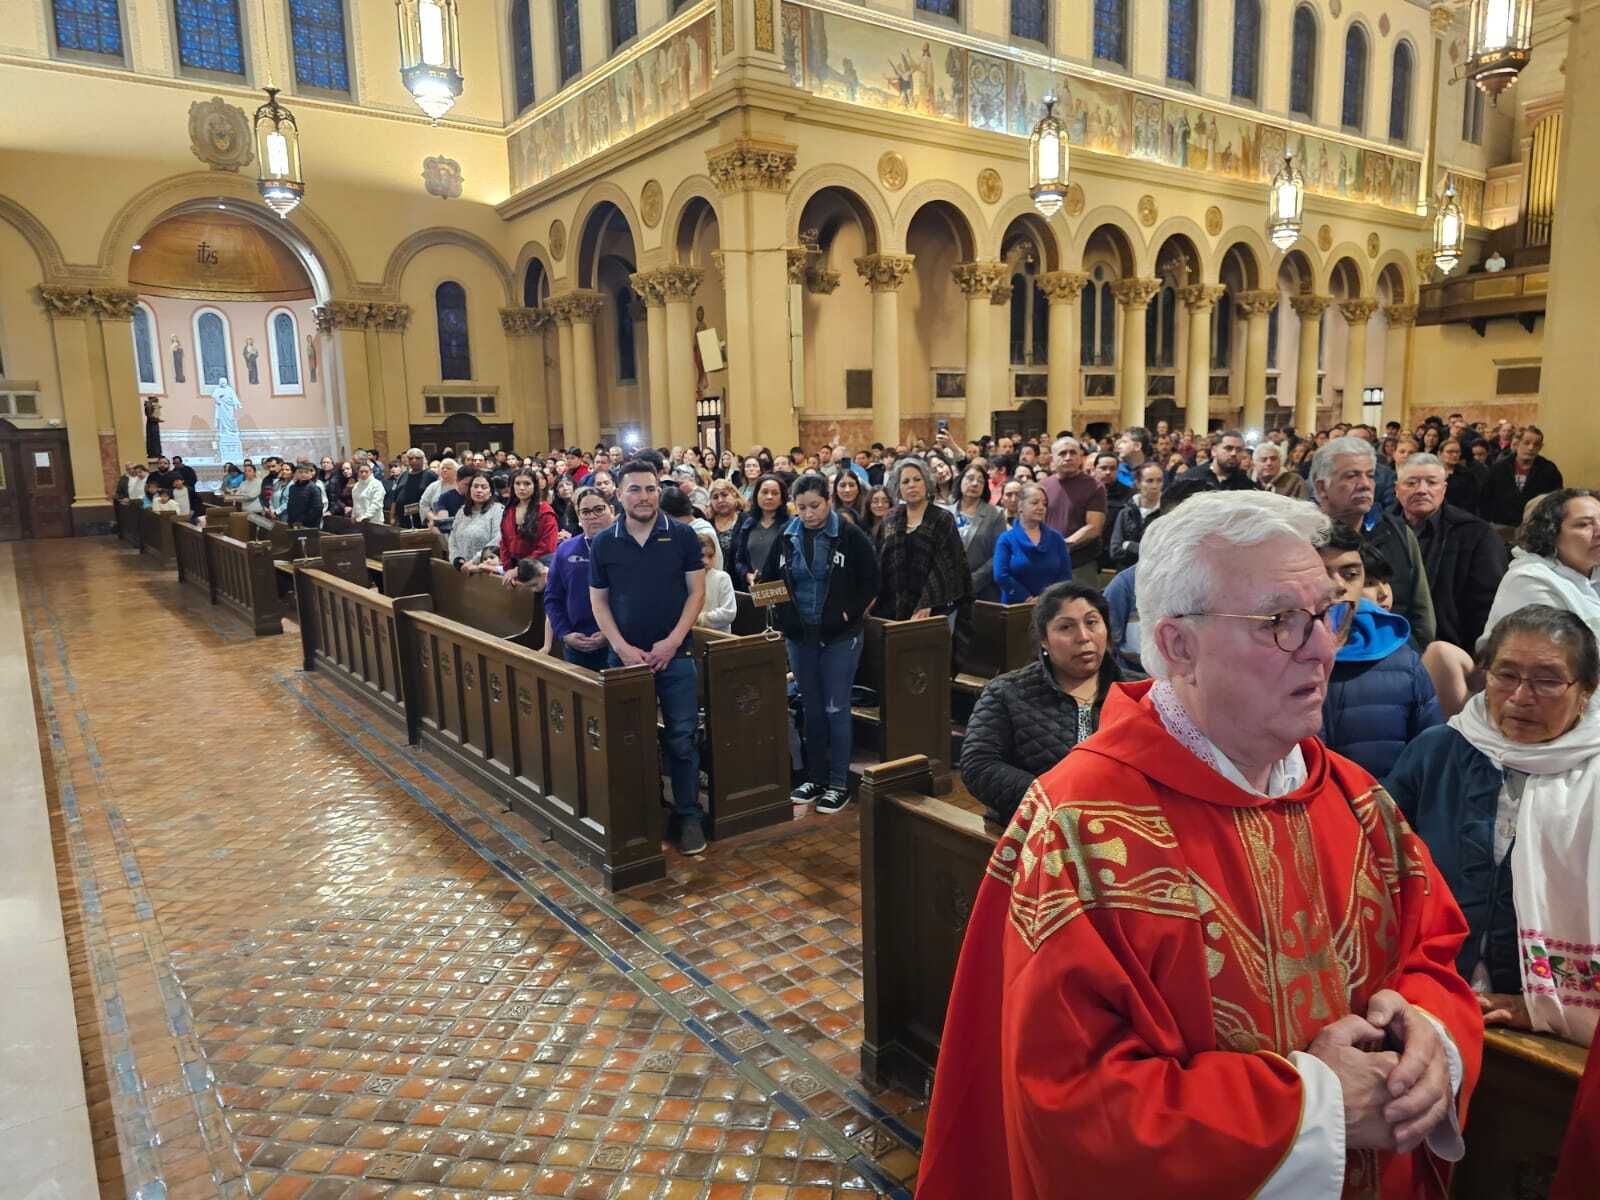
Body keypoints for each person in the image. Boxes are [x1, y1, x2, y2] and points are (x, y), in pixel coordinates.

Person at [918, 490, 1480, 1198]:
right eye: (1280, 622)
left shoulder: (1355, 797)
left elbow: (1433, 951)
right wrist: (1316, 1106)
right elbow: (1069, 1103)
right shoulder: (1080, 828)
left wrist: (1431, 1037)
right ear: (1178, 645)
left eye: (1328, 614)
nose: (1324, 648)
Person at [1386, 605, 1600, 1048]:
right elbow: (1376, 868)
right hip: (1427, 999)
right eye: (1506, 675)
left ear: (1586, 692)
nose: (1522, 696)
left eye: (1547, 680)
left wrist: (1542, 1004)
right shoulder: (1439, 751)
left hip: (1553, 1031)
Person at [589, 460, 708, 855]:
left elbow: (696, 593)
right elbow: (599, 601)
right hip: (624, 659)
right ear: (619, 495)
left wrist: (672, 642)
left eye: (651, 489)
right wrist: (621, 648)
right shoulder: (605, 541)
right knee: (631, 739)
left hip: (676, 655)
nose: (644, 497)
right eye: (635, 489)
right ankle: (646, 811)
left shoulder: (683, 536)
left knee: (682, 738)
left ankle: (688, 814)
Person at [760, 474, 880, 813]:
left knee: (835, 707)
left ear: (828, 502)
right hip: (801, 636)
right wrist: (782, 617)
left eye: (814, 506)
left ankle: (839, 782)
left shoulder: (849, 535)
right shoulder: (785, 536)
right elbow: (765, 581)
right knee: (811, 707)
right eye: (801, 508)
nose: (809, 514)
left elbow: (872, 581)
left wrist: (847, 615)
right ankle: (814, 777)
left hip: (840, 636)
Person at [959, 582, 1120, 825]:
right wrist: (1050, 799)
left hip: (1119, 830)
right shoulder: (1007, 692)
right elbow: (978, 765)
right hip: (1033, 835)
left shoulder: (1136, 692)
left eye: (1092, 622)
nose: (1084, 637)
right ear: (1044, 640)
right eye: (1066, 627)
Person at [1317, 524, 1441, 778]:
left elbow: (1431, 758)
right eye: (1322, 573)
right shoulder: (1276, 658)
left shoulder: (1401, 659)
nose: (1339, 586)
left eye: (1351, 574)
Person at [1311, 436, 1436, 647]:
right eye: (1351, 476)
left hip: (1397, 659)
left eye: (1370, 475)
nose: (1365, 485)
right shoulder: (1303, 540)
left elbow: (1422, 614)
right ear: (1322, 487)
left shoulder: (1398, 533)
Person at [1394, 453, 1508, 652]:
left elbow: (1488, 605)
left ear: (1444, 489)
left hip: (1450, 648)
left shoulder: (1475, 534)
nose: (1422, 490)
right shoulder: (1382, 529)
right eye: (1411, 483)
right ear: (1396, 489)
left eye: (1431, 483)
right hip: (1391, 643)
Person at [1479, 489, 1600, 651]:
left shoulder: (1593, 571)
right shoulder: (1530, 580)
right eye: (1584, 524)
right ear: (1552, 534)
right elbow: (1568, 657)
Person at [876, 458, 970, 623]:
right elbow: (881, 561)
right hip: (892, 606)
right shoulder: (890, 518)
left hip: (935, 609)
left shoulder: (942, 518)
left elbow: (950, 565)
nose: (911, 485)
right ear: (899, 488)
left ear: (926, 483)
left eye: (917, 479)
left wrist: (928, 602)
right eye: (905, 481)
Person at [544, 487, 614, 670]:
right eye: (585, 512)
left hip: (618, 645)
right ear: (579, 517)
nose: (592, 516)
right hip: (576, 645)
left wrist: (610, 633)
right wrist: (564, 633)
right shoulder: (565, 550)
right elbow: (552, 598)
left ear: (611, 511)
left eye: (599, 509)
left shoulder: (628, 548)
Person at [1039, 436, 1107, 586]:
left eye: (1073, 453)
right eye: (1062, 453)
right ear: (1052, 458)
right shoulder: (1043, 486)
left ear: (1081, 457)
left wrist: (1065, 543)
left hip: (1080, 565)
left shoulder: (1094, 487)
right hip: (1046, 563)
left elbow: (1094, 527)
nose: (1068, 457)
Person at [992, 484, 1072, 604]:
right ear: (1020, 507)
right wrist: (1027, 598)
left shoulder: (1056, 538)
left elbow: (1065, 575)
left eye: (1044, 504)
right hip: (1016, 608)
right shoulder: (1006, 539)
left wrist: (1046, 599)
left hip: (1051, 605)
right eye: (1035, 503)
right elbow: (1001, 575)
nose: (1041, 507)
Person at [1483, 425, 1563, 529]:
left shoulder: (1549, 469)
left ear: (1540, 447)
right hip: (1501, 524)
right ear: (1517, 443)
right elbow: (1486, 498)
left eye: (1536, 445)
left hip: (1534, 526)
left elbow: (1556, 500)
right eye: (1526, 443)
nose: (1531, 448)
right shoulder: (1499, 468)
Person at [951, 464, 1005, 602]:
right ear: (960, 481)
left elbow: (998, 554)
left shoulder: (995, 514)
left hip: (982, 591)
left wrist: (971, 581)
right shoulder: (946, 513)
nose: (975, 483)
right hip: (948, 589)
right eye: (970, 478)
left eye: (980, 481)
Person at [731, 473, 788, 588]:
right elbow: (739, 560)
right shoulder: (748, 524)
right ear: (756, 495)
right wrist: (747, 575)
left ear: (782, 499)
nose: (769, 497)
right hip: (756, 588)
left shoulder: (790, 525)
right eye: (765, 492)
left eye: (775, 493)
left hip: (784, 589)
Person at [497, 468, 558, 574]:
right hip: (513, 566)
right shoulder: (509, 510)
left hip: (539, 567)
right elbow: (504, 542)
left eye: (527, 484)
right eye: (517, 483)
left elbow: (546, 547)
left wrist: (519, 569)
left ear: (535, 486)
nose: (521, 488)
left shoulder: (545, 510)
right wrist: (508, 568)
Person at [1107, 461, 1163, 569]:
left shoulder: (1168, 513)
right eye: (1149, 481)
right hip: (1127, 573)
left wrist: (1129, 545)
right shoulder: (1126, 512)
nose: (1155, 486)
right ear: (1138, 483)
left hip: (1156, 574)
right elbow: (1115, 551)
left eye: (1159, 481)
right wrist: (1144, 551)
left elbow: (1162, 553)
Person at [449, 474, 503, 570]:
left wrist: (473, 561)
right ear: (470, 490)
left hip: (484, 567)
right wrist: (456, 559)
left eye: (484, 487)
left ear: (491, 492)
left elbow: (497, 539)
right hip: (462, 568)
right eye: (475, 486)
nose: (479, 490)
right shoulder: (462, 511)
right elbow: (452, 538)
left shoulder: (498, 510)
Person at [1180, 428, 1258, 491]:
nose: (1234, 453)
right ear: (1214, 451)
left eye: (1239, 450)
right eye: (1228, 448)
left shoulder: (1246, 486)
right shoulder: (1191, 478)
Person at [695, 532, 737, 633]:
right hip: (691, 635)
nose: (706, 561)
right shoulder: (686, 577)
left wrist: (700, 618)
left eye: (710, 556)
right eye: (701, 556)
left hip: (718, 637)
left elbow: (729, 613)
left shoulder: (722, 578)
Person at [390, 448, 438, 528]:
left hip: (422, 521)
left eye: (417, 458)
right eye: (411, 458)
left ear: (423, 459)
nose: (414, 461)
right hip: (403, 520)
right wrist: (392, 517)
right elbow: (395, 499)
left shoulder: (430, 475)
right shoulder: (403, 475)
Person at [706, 479, 743, 564]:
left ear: (734, 495)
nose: (720, 500)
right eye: (715, 497)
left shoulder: (746, 521)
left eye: (724, 495)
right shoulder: (707, 524)